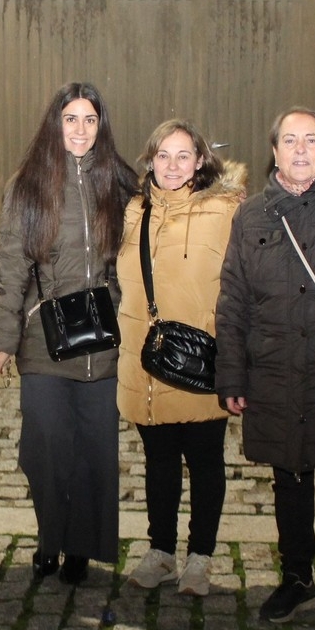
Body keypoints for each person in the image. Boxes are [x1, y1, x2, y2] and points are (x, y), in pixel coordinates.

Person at [0, 82, 139, 585]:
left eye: (89, 119)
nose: (80, 129)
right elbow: (10, 266)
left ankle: (80, 545)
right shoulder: (29, 185)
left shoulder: (119, 182)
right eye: (70, 118)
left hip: (103, 339)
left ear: (101, 125)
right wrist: (3, 338)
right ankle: (49, 536)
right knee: (47, 448)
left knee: (94, 450)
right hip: (43, 337)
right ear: (55, 123)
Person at [214, 108, 315, 625]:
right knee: (289, 480)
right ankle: (297, 578)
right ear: (274, 151)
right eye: (289, 141)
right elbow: (233, 299)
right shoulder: (251, 215)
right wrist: (231, 374)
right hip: (273, 371)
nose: (300, 150)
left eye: (311, 140)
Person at [117, 119, 245, 597]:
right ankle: (161, 551)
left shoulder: (225, 210)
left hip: (201, 361)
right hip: (147, 361)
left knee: (206, 460)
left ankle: (200, 557)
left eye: (183, 155)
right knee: (159, 462)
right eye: (163, 155)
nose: (172, 165)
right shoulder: (135, 210)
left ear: (200, 161)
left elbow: (242, 286)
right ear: (150, 160)